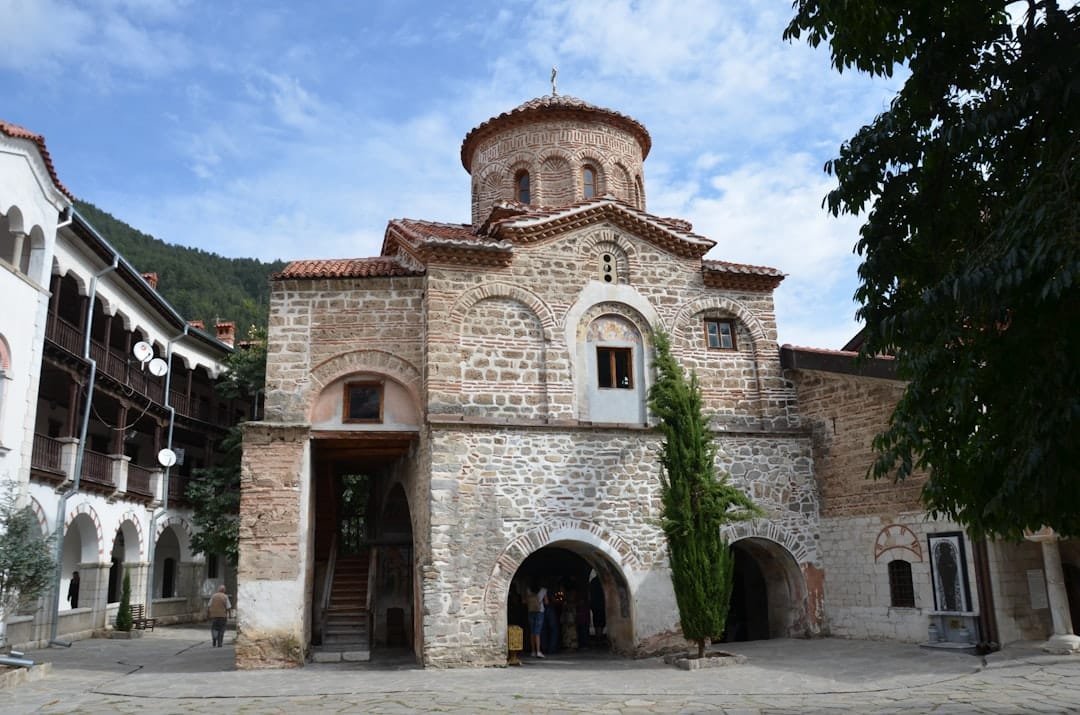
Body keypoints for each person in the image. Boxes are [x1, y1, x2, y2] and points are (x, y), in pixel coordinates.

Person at [526, 582, 546, 658]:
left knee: (532, 632)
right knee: (537, 632)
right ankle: (538, 651)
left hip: (530, 611)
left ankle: (533, 651)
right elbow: (547, 602)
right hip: (540, 612)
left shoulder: (528, 590)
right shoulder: (544, 590)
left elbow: (525, 601)